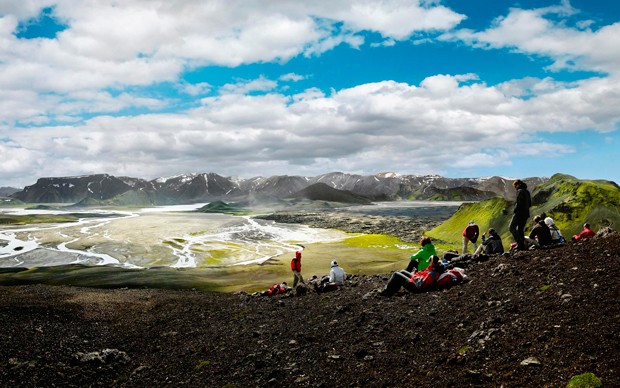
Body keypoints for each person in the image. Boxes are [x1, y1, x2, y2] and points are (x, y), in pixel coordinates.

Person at [380, 256, 466, 296]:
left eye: (430, 261)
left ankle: (386, 292)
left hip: (416, 287)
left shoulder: (433, 272)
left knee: (396, 274)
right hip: (418, 281)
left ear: (433, 263)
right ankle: (394, 290)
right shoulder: (437, 269)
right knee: (402, 271)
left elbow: (421, 284)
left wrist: (415, 277)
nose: (429, 262)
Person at [509, 179, 532, 251]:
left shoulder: (520, 191)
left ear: (518, 184)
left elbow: (518, 203)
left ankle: (520, 243)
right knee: (520, 229)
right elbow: (530, 203)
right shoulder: (527, 192)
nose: (515, 187)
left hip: (519, 213)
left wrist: (515, 211)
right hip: (525, 214)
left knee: (511, 227)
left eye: (515, 185)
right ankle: (522, 245)